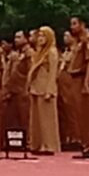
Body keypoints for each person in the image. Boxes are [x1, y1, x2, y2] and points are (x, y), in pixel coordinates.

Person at [68, 16, 89, 159]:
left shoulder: (88, 41)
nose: (72, 27)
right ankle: (85, 144)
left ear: (82, 24)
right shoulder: (78, 42)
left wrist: (87, 83)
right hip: (75, 79)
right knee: (79, 114)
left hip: (82, 79)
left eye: (75, 24)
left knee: (87, 114)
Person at [28, 26, 61, 155]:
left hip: (46, 89)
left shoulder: (51, 52)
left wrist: (50, 90)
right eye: (39, 35)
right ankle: (37, 143)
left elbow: (53, 73)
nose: (40, 38)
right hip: (36, 87)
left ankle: (49, 145)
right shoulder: (38, 52)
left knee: (47, 119)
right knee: (36, 120)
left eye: (43, 36)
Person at [58, 31, 78, 151]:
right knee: (64, 113)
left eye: (67, 36)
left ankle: (76, 138)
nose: (65, 38)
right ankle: (67, 137)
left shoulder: (76, 51)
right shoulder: (66, 51)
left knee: (73, 113)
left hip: (71, 85)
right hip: (62, 86)